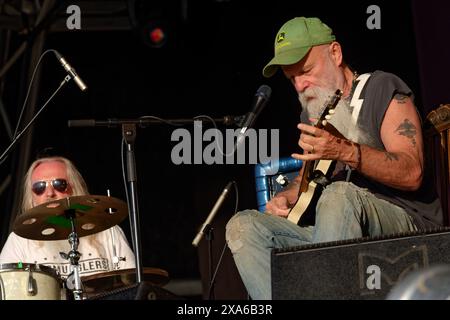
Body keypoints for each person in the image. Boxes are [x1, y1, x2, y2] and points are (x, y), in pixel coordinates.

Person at [225, 17, 443, 299]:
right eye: (293, 79)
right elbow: (307, 176)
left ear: (335, 53)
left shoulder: (383, 88)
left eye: (306, 71)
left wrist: (344, 151)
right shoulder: (316, 111)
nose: (301, 85)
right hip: (337, 228)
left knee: (338, 194)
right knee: (243, 226)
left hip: (406, 224)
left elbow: (411, 173)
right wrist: (288, 196)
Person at [0, 155, 136, 280]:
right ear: (32, 197)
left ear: (75, 188)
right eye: (39, 187)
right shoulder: (19, 240)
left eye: (59, 184)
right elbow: (7, 288)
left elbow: (130, 285)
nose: (49, 193)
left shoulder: (108, 232)